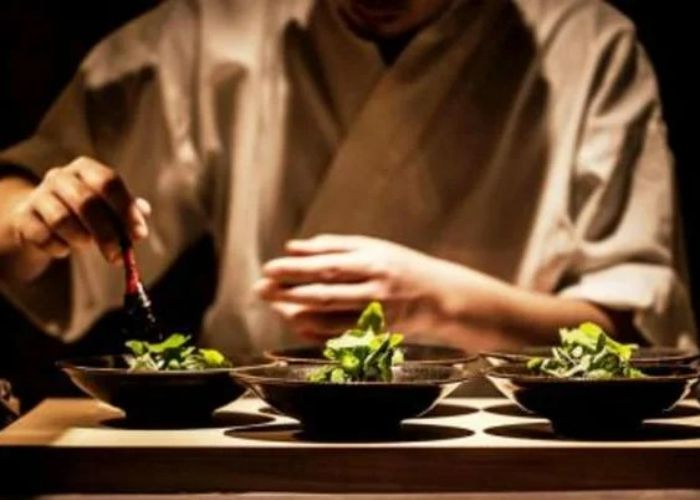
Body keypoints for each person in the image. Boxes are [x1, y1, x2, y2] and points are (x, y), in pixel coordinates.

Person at [0, 0, 695, 359]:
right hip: (262, 437)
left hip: (510, 444)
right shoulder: (219, 24)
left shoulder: (587, 39)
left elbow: (633, 332)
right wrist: (39, 215)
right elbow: (13, 212)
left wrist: (438, 302)